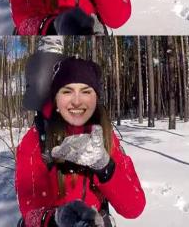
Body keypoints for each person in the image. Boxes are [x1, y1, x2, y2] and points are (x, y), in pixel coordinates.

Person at [15, 57, 145, 227]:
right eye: (67, 91)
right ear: (56, 99)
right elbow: (29, 213)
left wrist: (105, 167)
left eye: (85, 91)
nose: (77, 101)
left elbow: (134, 207)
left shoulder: (105, 136)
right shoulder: (35, 140)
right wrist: (54, 219)